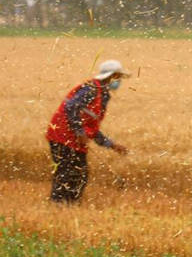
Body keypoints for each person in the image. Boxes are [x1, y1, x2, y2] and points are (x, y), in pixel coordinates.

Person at [46, 59, 130, 203]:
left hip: (74, 138)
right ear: (110, 76)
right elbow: (71, 107)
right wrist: (79, 131)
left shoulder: (103, 95)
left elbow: (92, 128)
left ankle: (68, 206)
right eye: (117, 77)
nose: (119, 81)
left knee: (79, 175)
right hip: (63, 136)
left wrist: (111, 145)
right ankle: (59, 205)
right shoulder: (91, 89)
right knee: (68, 174)